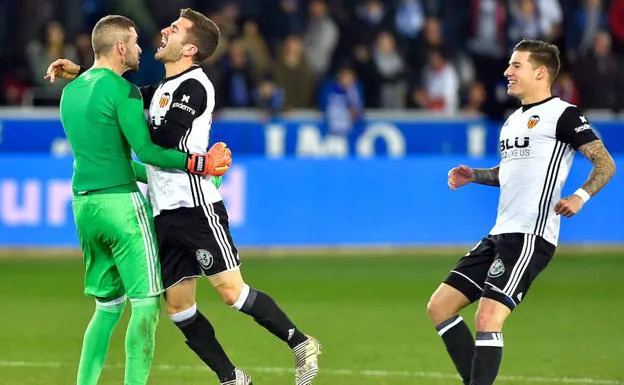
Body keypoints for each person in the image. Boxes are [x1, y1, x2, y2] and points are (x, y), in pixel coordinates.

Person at [47, 9, 321, 385]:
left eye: (174, 29)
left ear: (189, 47)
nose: (164, 31)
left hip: (195, 207)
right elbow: (115, 90)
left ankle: (300, 342)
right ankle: (232, 377)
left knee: (231, 293)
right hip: (163, 212)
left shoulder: (195, 86)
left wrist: (197, 162)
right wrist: (82, 74)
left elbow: (158, 140)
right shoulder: (159, 89)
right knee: (177, 307)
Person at [427, 39, 616, 385]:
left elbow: (605, 163)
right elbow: (510, 172)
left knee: (488, 317)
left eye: (516, 66)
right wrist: (477, 176)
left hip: (531, 235)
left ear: (540, 73)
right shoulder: (513, 121)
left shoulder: (565, 115)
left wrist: (580, 196)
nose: (507, 72)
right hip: (500, 233)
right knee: (439, 307)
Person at [53, 15, 229, 385]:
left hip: (84, 206)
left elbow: (113, 161)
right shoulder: (126, 93)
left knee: (106, 307)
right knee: (146, 305)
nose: (139, 48)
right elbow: (147, 151)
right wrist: (200, 164)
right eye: (133, 43)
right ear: (120, 47)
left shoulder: (71, 91)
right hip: (122, 209)